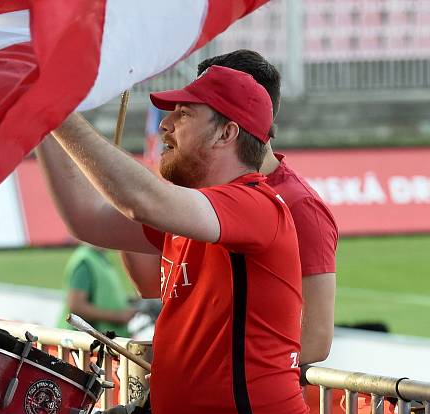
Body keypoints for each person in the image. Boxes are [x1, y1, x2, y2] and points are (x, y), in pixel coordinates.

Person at [38, 65, 323, 414]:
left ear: (227, 132)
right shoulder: (196, 213)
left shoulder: (256, 203)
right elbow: (86, 218)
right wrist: (39, 123)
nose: (165, 126)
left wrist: (55, 110)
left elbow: (140, 201)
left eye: (183, 114)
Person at [122, 49, 337, 367]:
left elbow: (315, 339)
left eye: (191, 109)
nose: (172, 123)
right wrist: (130, 200)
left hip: (249, 410)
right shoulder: (199, 189)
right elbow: (151, 284)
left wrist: (210, 369)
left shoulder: (299, 204)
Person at [58, 244, 135, 337]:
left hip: (99, 341)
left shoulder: (98, 258)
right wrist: (118, 316)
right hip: (82, 344)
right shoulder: (85, 261)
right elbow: (76, 306)